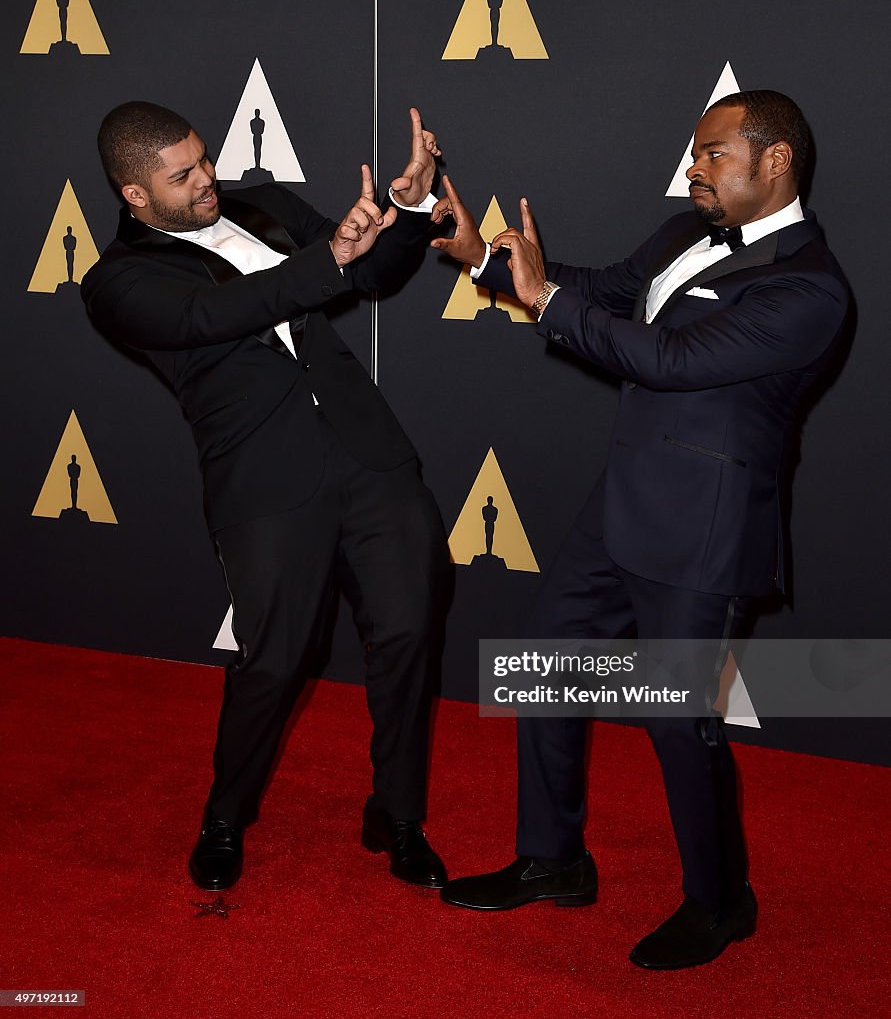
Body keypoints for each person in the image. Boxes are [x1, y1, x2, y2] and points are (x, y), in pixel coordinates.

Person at [430, 90, 850, 968]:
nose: (692, 168)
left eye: (712, 154)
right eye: (694, 153)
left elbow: (672, 360)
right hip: (619, 503)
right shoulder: (679, 232)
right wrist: (483, 262)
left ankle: (719, 899)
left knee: (675, 721)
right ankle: (552, 861)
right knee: (543, 668)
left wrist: (543, 299)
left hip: (703, 533)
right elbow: (597, 294)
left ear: (774, 163)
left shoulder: (809, 289)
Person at [82, 101, 453, 894]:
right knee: (275, 659)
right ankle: (225, 815)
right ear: (135, 195)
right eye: (181, 176)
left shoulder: (269, 207)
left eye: (204, 159)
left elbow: (374, 271)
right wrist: (334, 255)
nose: (206, 179)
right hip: (265, 479)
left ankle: (397, 812)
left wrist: (409, 211)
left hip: (370, 454)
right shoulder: (118, 281)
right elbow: (224, 312)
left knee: (408, 634)